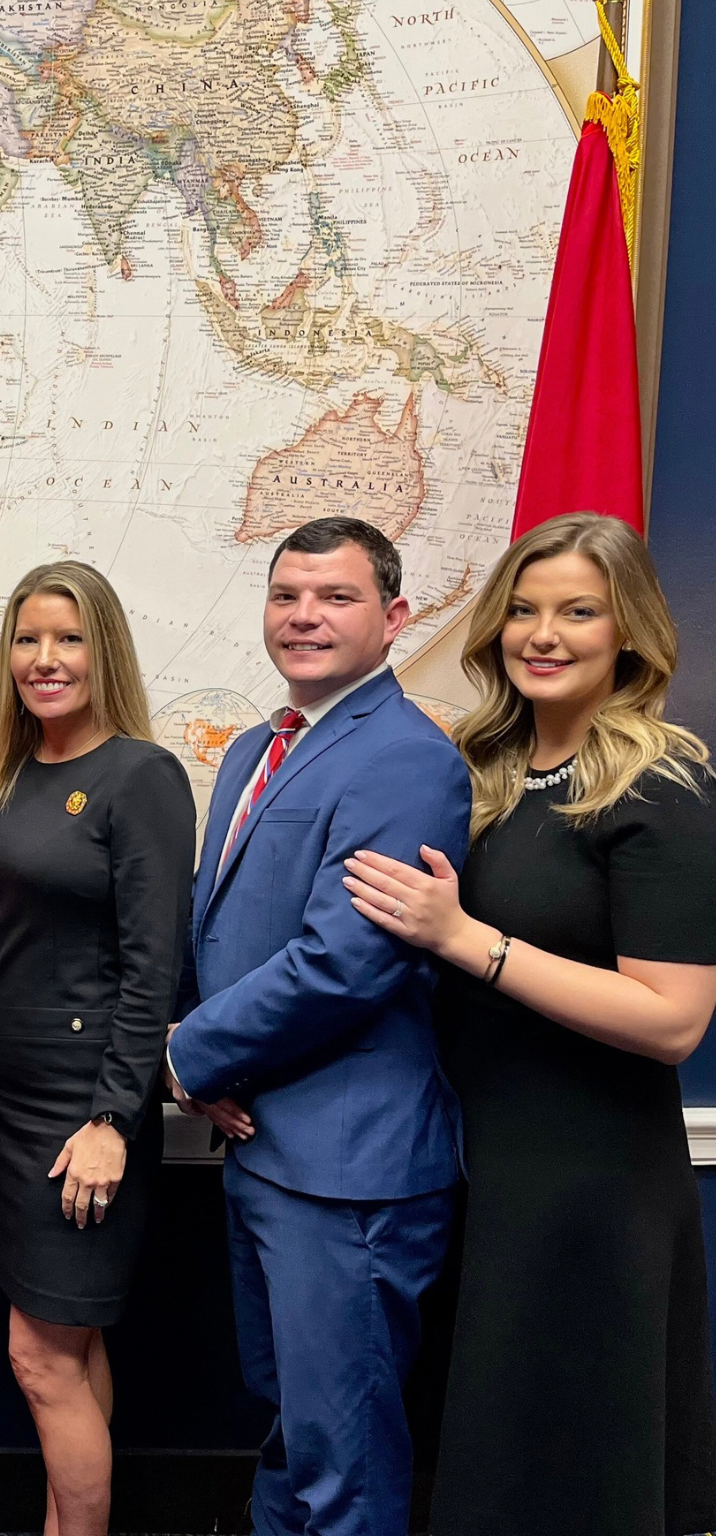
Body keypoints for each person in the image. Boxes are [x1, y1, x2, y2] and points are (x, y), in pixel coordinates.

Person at [338, 512, 716, 1535]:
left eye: (577, 612)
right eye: (522, 610)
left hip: (587, 1196)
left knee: (569, 1481)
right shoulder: (481, 774)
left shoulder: (660, 785)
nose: (541, 634)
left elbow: (672, 1019)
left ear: (627, 632)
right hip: (470, 1174)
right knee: (479, 1473)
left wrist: (468, 941)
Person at [165, 516, 471, 1536]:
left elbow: (346, 961)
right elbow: (228, 929)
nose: (303, 616)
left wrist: (185, 1053)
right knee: (291, 1434)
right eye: (285, 594)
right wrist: (209, 1068)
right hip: (265, 1147)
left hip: (352, 1172)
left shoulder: (401, 759)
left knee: (345, 1463)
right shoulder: (258, 745)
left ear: (391, 618)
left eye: (334, 597)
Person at [0, 561, 192, 1536]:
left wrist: (110, 1118)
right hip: (6, 1109)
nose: (43, 660)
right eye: (27, 639)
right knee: (71, 1347)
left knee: (39, 1358)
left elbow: (154, 969)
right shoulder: (2, 772)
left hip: (78, 1113)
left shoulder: (140, 775)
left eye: (66, 639)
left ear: (102, 650)